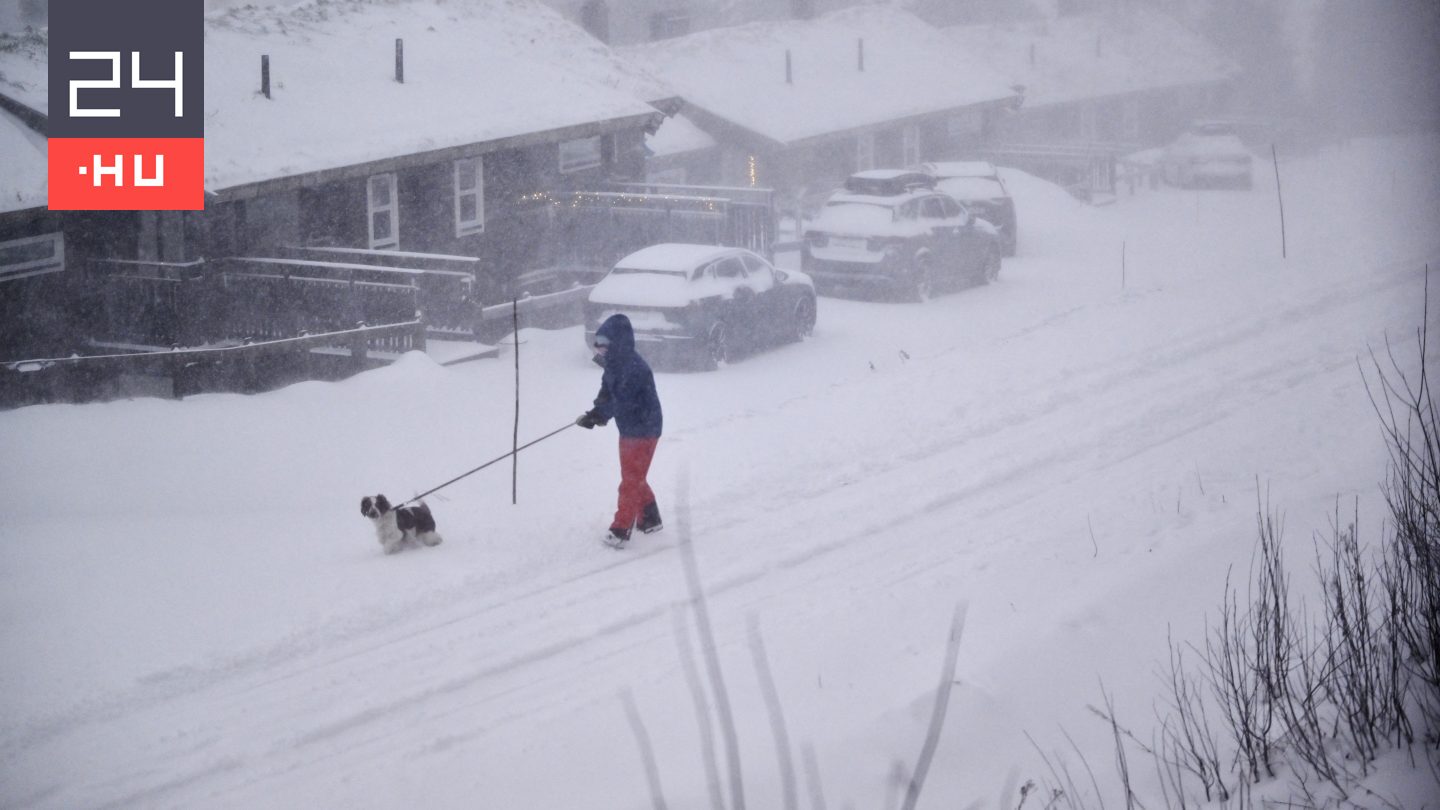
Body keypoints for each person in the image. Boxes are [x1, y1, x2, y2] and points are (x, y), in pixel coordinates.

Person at [577, 314, 663, 546]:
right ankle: (650, 518)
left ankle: (621, 529)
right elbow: (607, 393)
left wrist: (600, 416)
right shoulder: (614, 365)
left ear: (617, 343)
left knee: (630, 480)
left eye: (604, 344)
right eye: (598, 344)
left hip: (644, 429)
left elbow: (622, 400)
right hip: (629, 428)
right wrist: (594, 413)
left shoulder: (634, 368)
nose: (600, 349)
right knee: (634, 476)